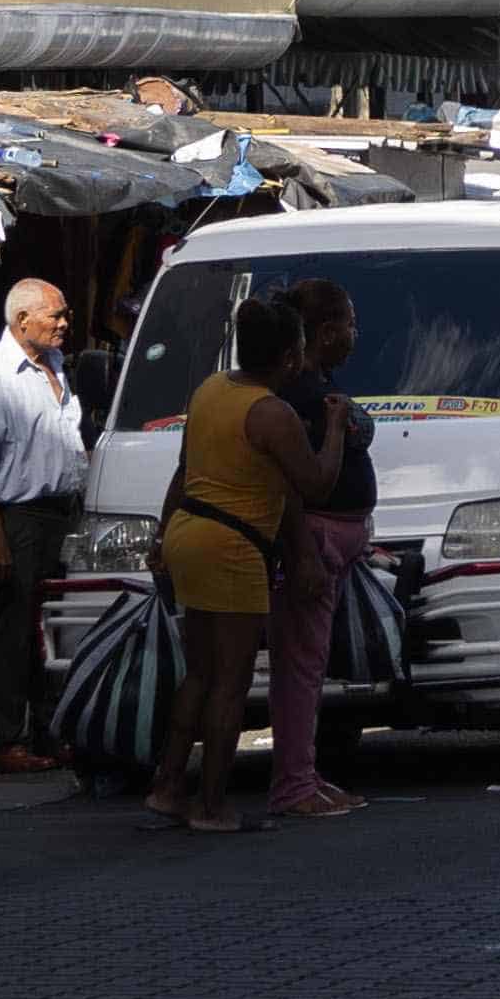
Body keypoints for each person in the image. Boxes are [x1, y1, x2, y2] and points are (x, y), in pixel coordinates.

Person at [149, 290, 327, 839]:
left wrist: (161, 533)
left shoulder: (210, 390)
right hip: (233, 547)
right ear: (291, 357)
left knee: (199, 675)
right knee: (230, 682)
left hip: (188, 531)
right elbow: (315, 483)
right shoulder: (274, 414)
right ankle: (211, 805)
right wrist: (340, 431)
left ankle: (168, 788)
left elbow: (184, 470)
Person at [0, 276, 89, 774]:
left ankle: (51, 733)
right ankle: (6, 740)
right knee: (14, 633)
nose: (65, 324)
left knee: (50, 631)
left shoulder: (53, 364)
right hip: (21, 519)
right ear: (22, 320)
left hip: (61, 515)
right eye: (57, 316)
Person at [255, 283, 376, 825]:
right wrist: (305, 551)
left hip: (328, 547)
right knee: (298, 669)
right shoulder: (298, 398)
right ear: (325, 333)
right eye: (350, 323)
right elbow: (292, 485)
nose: (355, 334)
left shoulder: (316, 388)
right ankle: (293, 784)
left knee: (308, 665)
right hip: (311, 549)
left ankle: (303, 773)